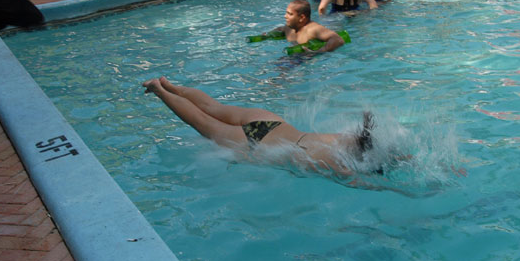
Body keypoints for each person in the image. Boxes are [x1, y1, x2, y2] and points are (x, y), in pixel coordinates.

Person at [142, 76, 376, 176]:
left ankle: (169, 85)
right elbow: (355, 181)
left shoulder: (339, 138)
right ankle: (159, 90)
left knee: (212, 107)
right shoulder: (334, 161)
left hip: (271, 123)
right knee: (201, 121)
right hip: (255, 142)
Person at [270, 0, 346, 52]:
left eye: (290, 14)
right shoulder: (289, 28)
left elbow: (338, 40)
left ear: (301, 17)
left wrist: (319, 51)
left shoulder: (312, 29)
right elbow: (280, 29)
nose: (285, 16)